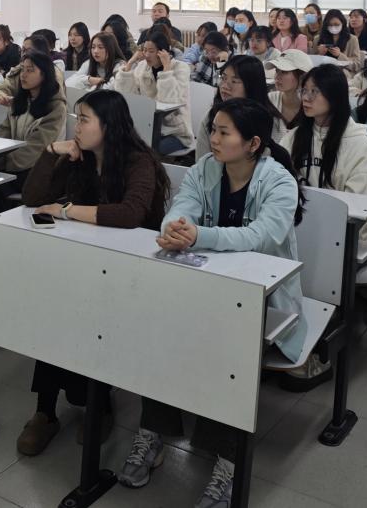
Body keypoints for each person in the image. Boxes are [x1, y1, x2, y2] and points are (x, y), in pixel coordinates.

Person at [118, 100, 305, 503]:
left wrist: (199, 236)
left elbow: (261, 238)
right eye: (213, 130)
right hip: (205, 286)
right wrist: (176, 229)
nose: (214, 139)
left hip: (264, 296)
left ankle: (228, 461)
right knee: (157, 329)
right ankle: (154, 432)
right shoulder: (205, 169)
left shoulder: (279, 181)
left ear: (253, 143)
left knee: (227, 348)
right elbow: (181, 209)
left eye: (224, 132)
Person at [17, 90, 170, 455]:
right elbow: (33, 198)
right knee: (57, 311)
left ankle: (98, 405)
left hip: (132, 271)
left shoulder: (139, 161)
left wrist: (67, 210)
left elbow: (130, 214)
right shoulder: (80, 158)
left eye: (84, 120)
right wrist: (51, 152)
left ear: (109, 125)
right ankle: (45, 411)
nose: (77, 126)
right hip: (86, 262)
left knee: (92, 316)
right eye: (77, 118)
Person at [280, 63, 367, 214]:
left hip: (347, 225)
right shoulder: (294, 137)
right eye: (304, 91)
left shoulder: (358, 143)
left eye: (314, 91)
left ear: (334, 96)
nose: (306, 98)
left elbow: (358, 205)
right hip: (300, 222)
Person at [112, 30, 193, 154]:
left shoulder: (181, 68)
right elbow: (128, 96)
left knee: (146, 150)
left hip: (175, 132)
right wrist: (130, 64)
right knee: (121, 143)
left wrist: (166, 69)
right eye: (144, 50)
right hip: (147, 128)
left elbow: (169, 101)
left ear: (163, 52)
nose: (146, 55)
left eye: (151, 51)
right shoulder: (142, 67)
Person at [0, 50, 68, 176]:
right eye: (23, 69)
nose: (23, 75)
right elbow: (4, 132)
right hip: (10, 165)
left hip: (37, 170)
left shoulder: (56, 107)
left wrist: (3, 163)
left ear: (44, 75)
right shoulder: (19, 100)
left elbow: (36, 148)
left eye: (30, 70)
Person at [268, 49, 312, 142]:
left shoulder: (312, 106)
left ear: (302, 76)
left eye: (284, 72)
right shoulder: (270, 99)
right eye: (277, 70)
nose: (277, 77)